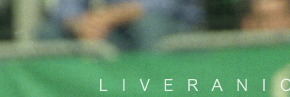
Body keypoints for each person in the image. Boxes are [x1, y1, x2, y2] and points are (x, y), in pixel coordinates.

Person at [40, 0, 202, 50]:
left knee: (147, 27)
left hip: (168, 25)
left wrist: (109, 16)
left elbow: (167, 4)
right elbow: (66, 8)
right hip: (112, 28)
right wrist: (80, 24)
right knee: (49, 33)